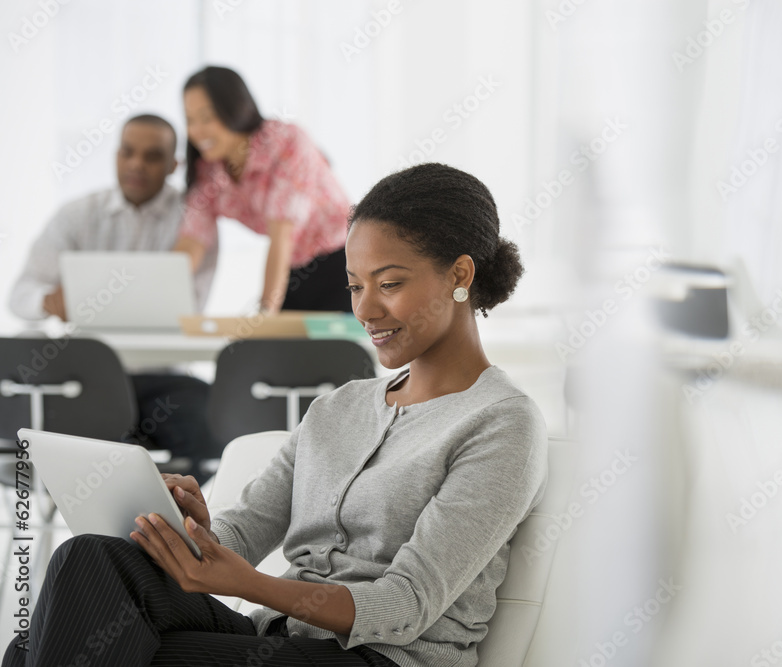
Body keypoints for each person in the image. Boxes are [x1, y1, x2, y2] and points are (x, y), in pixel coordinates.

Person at [2, 163, 546, 667]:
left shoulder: (501, 423)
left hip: (381, 658)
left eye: (389, 284)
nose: (365, 310)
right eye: (356, 286)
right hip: (281, 642)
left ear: (461, 274)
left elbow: (405, 605)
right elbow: (241, 534)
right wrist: (194, 529)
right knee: (86, 559)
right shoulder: (340, 406)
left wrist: (248, 585)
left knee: (38, 649)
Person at [7, 114, 223, 482]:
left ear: (174, 165)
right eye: (127, 152)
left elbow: (190, 306)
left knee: (210, 424)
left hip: (164, 382)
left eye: (152, 156)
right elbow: (19, 296)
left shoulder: (194, 220)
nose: (137, 164)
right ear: (116, 155)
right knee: (79, 449)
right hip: (89, 379)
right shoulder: (76, 215)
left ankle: (169, 528)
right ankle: (110, 532)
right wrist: (48, 300)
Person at [176, 65, 354, 313]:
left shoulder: (286, 142)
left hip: (342, 263)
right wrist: (158, 302)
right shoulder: (208, 172)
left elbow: (281, 236)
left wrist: (265, 314)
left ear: (235, 108)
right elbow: (191, 243)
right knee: (277, 348)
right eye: (190, 120)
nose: (197, 131)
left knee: (332, 348)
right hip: (293, 268)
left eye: (207, 118)